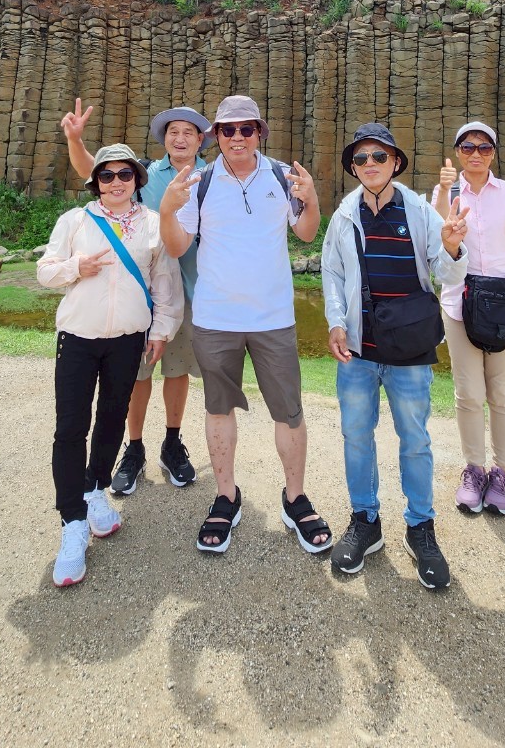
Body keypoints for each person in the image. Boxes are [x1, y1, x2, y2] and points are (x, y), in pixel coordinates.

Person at [159, 94, 332, 556]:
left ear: (259, 133)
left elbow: (306, 233)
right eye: (228, 130)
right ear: (215, 136)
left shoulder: (281, 176)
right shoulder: (199, 182)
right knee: (219, 409)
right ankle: (225, 496)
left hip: (273, 318)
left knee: (289, 411)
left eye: (246, 129)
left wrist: (312, 199)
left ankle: (295, 498)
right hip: (216, 318)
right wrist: (167, 211)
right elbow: (176, 247)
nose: (237, 137)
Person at [321, 124, 470, 589]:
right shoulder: (344, 215)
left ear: (396, 163)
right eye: (361, 158)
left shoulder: (419, 211)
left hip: (410, 347)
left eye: (379, 157)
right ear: (353, 167)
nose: (370, 164)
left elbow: (446, 274)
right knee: (356, 436)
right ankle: (365, 521)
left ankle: (420, 526)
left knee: (415, 439)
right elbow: (331, 272)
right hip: (359, 350)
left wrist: (452, 246)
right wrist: (335, 322)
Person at [37, 145, 183, 587]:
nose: (116, 182)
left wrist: (160, 331)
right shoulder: (75, 221)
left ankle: (95, 489)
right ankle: (72, 522)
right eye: (107, 175)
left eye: (125, 174)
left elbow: (164, 284)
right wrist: (75, 267)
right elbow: (45, 271)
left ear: (137, 179)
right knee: (70, 428)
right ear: (95, 182)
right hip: (78, 338)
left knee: (112, 419)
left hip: (127, 340)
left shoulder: (153, 225)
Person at [61, 99, 212, 492]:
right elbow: (96, 171)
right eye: (173, 132)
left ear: (201, 140)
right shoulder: (146, 175)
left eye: (189, 132)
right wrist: (75, 140)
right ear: (164, 139)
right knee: (138, 373)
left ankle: (172, 443)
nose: (180, 138)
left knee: (177, 370)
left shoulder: (215, 177)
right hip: (144, 294)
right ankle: (135, 446)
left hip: (195, 291)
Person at [432, 121, 505, 518]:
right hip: (459, 304)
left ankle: (502, 473)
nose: (475, 154)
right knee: (469, 394)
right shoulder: (447, 192)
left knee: (503, 394)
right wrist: (443, 194)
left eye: (484, 147)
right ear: (457, 152)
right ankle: (474, 470)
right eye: (467, 147)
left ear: (493, 153)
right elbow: (437, 239)